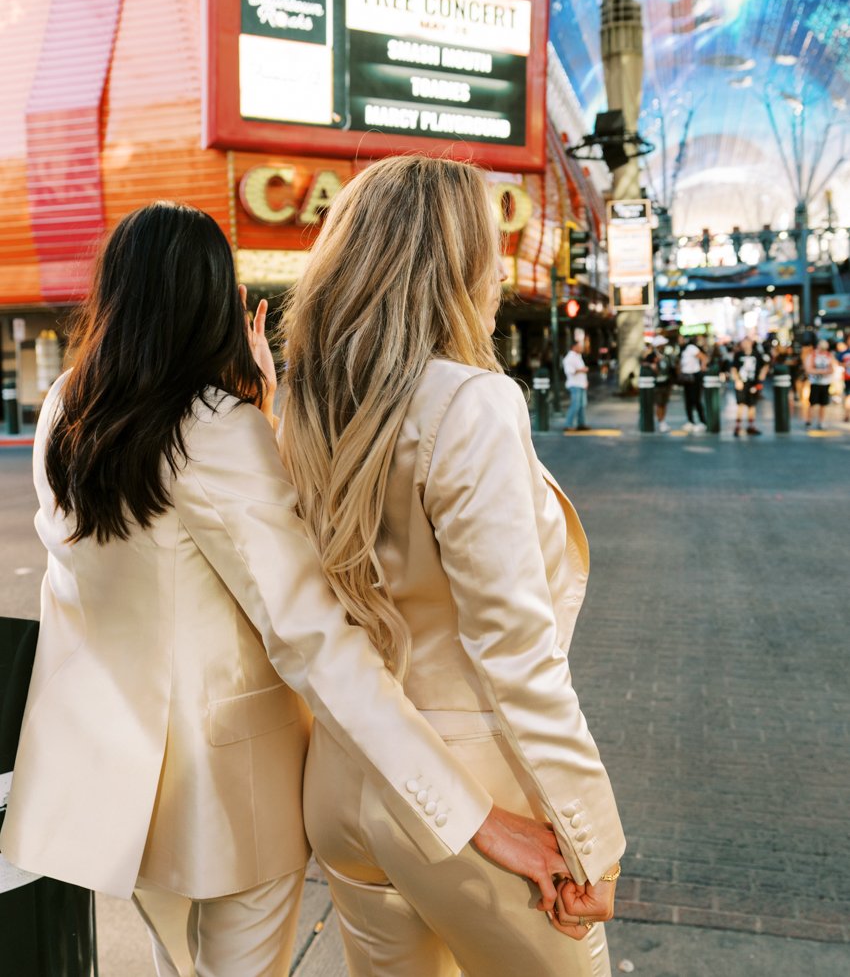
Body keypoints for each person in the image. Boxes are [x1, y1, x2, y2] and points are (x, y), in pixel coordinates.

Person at [0, 202, 568, 977]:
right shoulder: (211, 429)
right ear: (215, 305)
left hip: (123, 783)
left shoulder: (68, 405)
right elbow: (315, 640)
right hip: (236, 790)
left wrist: (253, 416)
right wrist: (470, 814)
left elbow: (166, 552)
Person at [279, 157, 625, 977]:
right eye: (488, 247)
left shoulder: (309, 409)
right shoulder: (469, 402)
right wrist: (591, 833)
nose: (499, 269)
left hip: (343, 784)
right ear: (457, 262)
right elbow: (517, 656)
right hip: (478, 797)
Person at [731, 337, 770, 437]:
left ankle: (751, 426)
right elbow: (733, 368)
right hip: (742, 383)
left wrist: (761, 377)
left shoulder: (757, 354)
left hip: (753, 383)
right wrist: (737, 380)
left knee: (752, 405)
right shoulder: (738, 355)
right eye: (743, 343)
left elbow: (765, 365)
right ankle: (738, 426)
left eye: (747, 343)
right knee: (740, 404)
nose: (745, 345)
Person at [805, 339, 839, 428]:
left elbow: (832, 368)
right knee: (812, 403)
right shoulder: (812, 355)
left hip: (825, 382)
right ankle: (809, 420)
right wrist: (821, 371)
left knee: (823, 404)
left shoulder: (829, 355)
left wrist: (826, 371)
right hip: (815, 382)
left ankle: (821, 421)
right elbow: (808, 369)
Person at [677, 337, 707, 433]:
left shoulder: (691, 348)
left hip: (694, 377)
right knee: (688, 400)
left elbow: (703, 358)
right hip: (686, 378)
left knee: (696, 400)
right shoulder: (682, 350)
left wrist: (702, 368)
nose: (679, 341)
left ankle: (703, 422)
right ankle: (691, 421)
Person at [563, 336, 590, 432]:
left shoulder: (578, 357)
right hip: (575, 385)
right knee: (576, 404)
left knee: (582, 405)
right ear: (574, 347)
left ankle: (581, 423)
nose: (581, 348)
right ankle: (568, 424)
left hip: (581, 384)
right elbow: (569, 371)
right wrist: (582, 370)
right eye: (579, 346)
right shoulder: (569, 358)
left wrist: (585, 381)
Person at [649, 336, 674, 433]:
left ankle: (663, 420)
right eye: (662, 345)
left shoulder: (666, 356)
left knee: (664, 403)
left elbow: (670, 369)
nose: (664, 346)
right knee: (659, 403)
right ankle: (661, 422)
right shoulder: (652, 356)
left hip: (666, 383)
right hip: (657, 384)